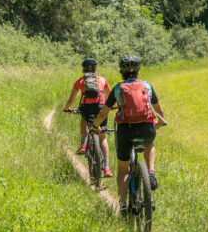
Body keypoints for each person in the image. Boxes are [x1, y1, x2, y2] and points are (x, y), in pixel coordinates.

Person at [87, 55, 166, 217]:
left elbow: (104, 113)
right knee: (149, 144)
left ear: (121, 71)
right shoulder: (146, 85)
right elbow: (159, 110)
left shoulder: (118, 88)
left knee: (123, 169)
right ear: (138, 71)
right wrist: (158, 123)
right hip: (146, 128)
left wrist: (95, 127)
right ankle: (150, 172)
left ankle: (123, 205)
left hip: (125, 130)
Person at [63, 57, 112, 177]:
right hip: (101, 107)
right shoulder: (102, 80)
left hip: (86, 107)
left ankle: (84, 144)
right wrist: (114, 106)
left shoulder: (80, 81)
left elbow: (71, 99)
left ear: (83, 69)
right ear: (96, 69)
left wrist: (66, 108)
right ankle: (106, 167)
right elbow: (110, 96)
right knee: (102, 137)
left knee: (84, 119)